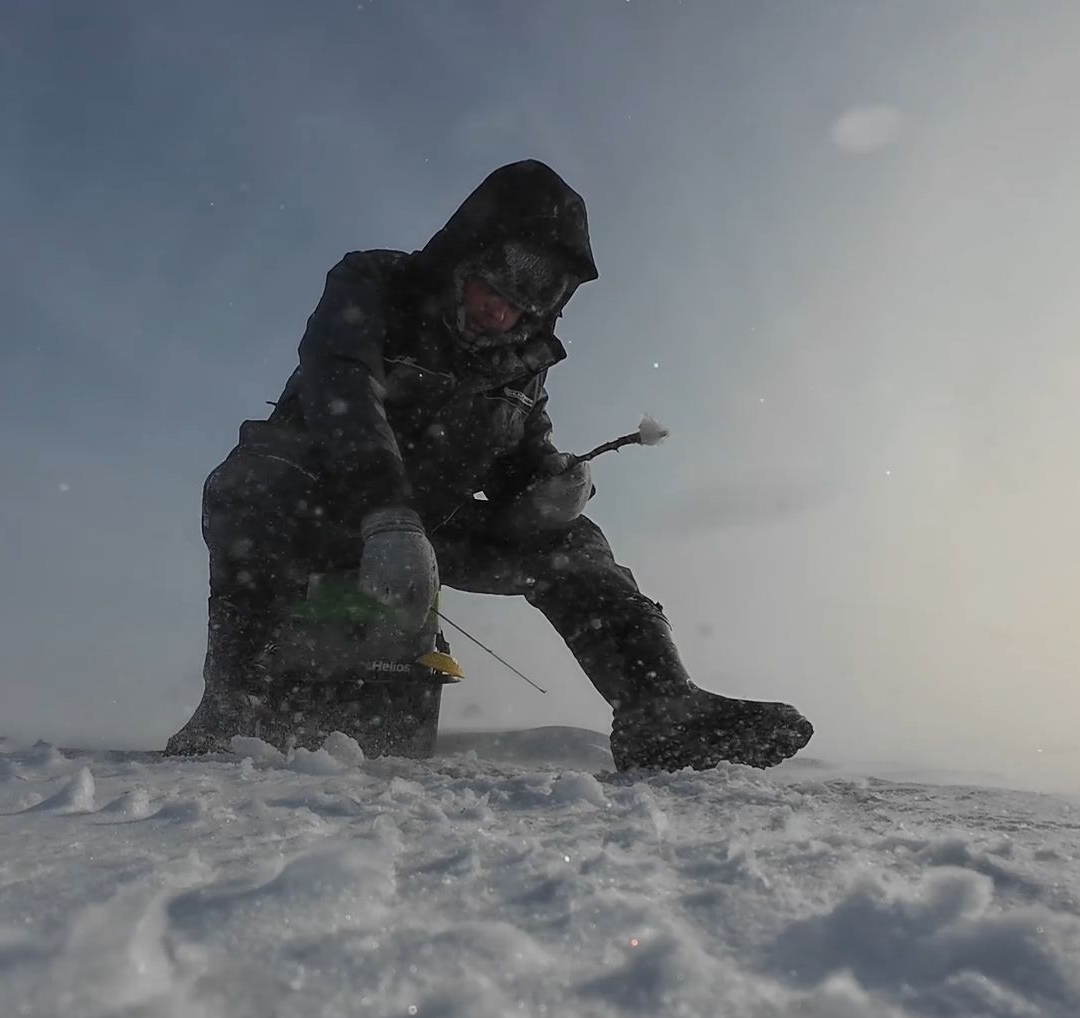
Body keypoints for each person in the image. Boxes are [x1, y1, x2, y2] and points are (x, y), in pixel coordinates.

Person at [164, 160, 812, 771]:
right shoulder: (372, 285)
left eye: (536, 292)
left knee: (574, 542)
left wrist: (550, 491)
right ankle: (232, 708)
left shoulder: (522, 375)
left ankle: (660, 709)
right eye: (504, 275)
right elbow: (343, 388)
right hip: (319, 510)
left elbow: (522, 466)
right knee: (253, 480)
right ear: (466, 251)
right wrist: (386, 515)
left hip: (428, 537)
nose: (506, 308)